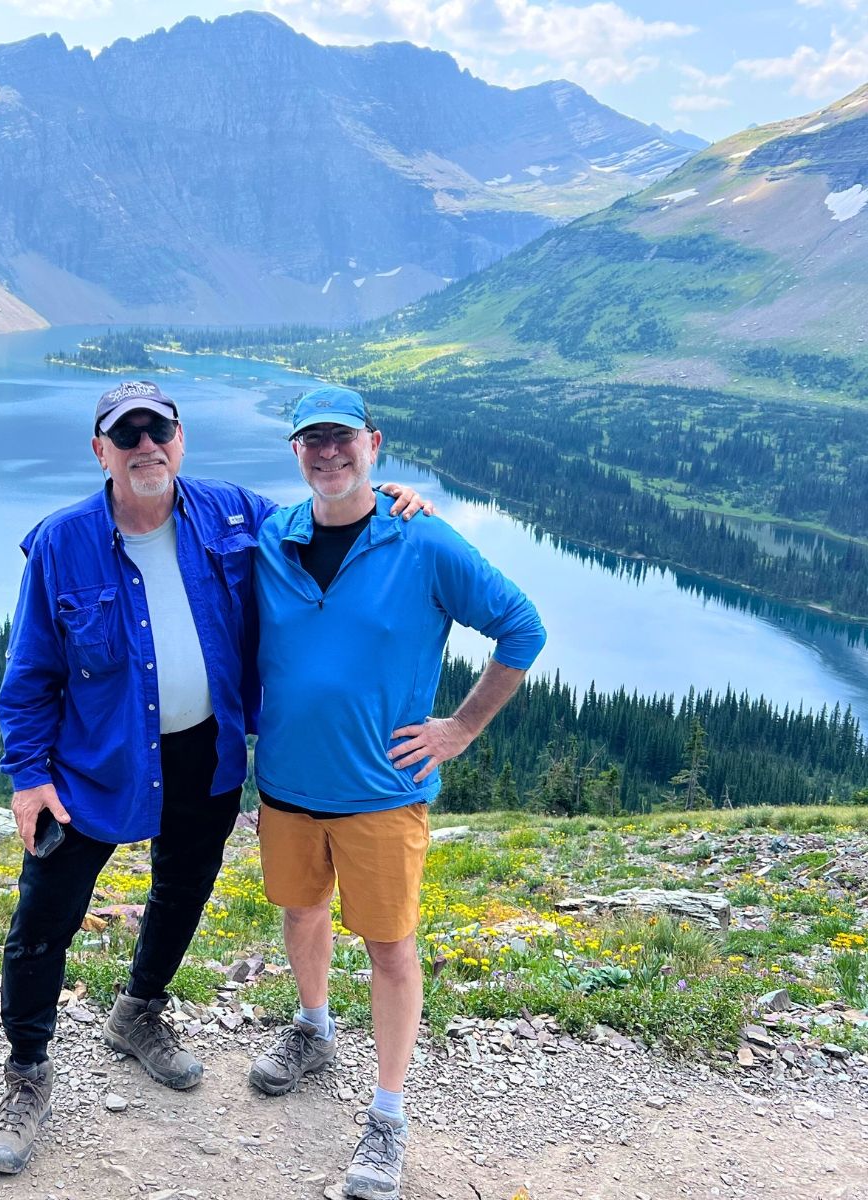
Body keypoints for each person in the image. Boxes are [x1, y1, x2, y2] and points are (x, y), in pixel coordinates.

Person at [0, 379, 429, 1175]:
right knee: (45, 916)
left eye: (160, 432)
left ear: (180, 441)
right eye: (127, 436)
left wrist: (388, 499)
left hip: (204, 751)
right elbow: (31, 672)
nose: (146, 447)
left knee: (182, 889)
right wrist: (27, 775)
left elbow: (325, 518)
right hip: (92, 763)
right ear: (101, 452)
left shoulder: (233, 515)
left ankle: (138, 1011)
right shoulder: (61, 542)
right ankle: (26, 1074)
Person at [248, 384, 546, 1200]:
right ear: (296, 452)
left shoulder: (423, 539)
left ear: (373, 444)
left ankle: (387, 1116)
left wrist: (461, 728)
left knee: (389, 947)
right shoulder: (273, 535)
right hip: (286, 786)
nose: (329, 453)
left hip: (382, 791)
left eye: (343, 438)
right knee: (301, 912)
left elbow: (523, 627)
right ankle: (313, 1029)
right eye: (313, 441)